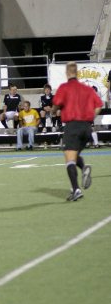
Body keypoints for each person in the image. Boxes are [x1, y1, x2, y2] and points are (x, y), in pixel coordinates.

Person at [52, 61, 102, 201]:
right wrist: (91, 116)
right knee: (73, 155)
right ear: (78, 73)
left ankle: (76, 190)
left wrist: (54, 111)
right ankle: (84, 167)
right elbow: (98, 105)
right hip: (86, 127)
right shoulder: (87, 89)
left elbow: (57, 103)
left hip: (72, 126)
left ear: (67, 73)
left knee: (69, 159)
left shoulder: (65, 87)